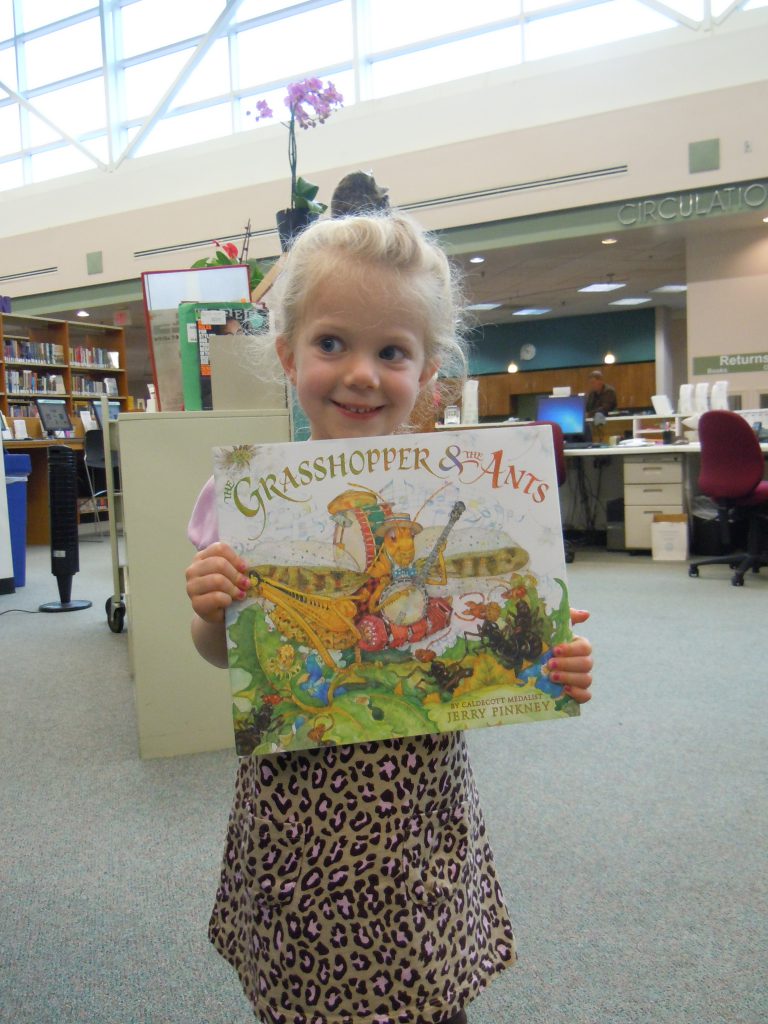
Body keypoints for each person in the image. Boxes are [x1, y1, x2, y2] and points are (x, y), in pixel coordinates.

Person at [185, 212, 594, 1024]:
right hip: (295, 812)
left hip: (418, 809)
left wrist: (561, 664)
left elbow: (510, 651)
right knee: (301, 989)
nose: (361, 374)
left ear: (427, 373)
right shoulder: (236, 499)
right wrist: (209, 608)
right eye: (332, 343)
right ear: (287, 354)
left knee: (428, 979)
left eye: (392, 352)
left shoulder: (467, 490)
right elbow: (218, 654)